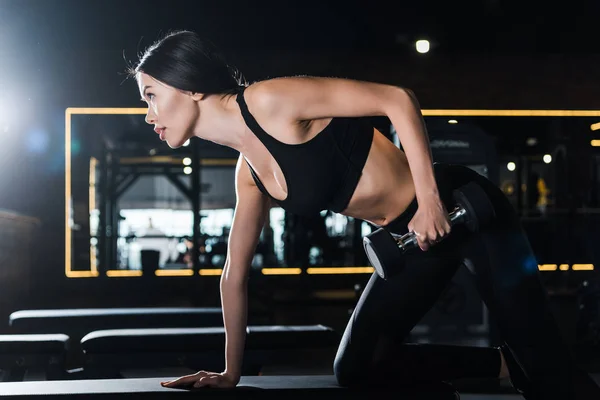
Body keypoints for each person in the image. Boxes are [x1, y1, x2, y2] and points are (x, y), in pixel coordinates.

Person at [127, 30, 600, 398]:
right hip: (408, 242)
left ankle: (534, 366)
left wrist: (431, 201)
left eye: (150, 94)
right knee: (357, 367)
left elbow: (397, 99)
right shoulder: (249, 174)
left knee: (550, 373)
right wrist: (231, 372)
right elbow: (233, 276)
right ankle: (501, 365)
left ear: (187, 86)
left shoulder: (271, 101)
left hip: (461, 209)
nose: (147, 113)